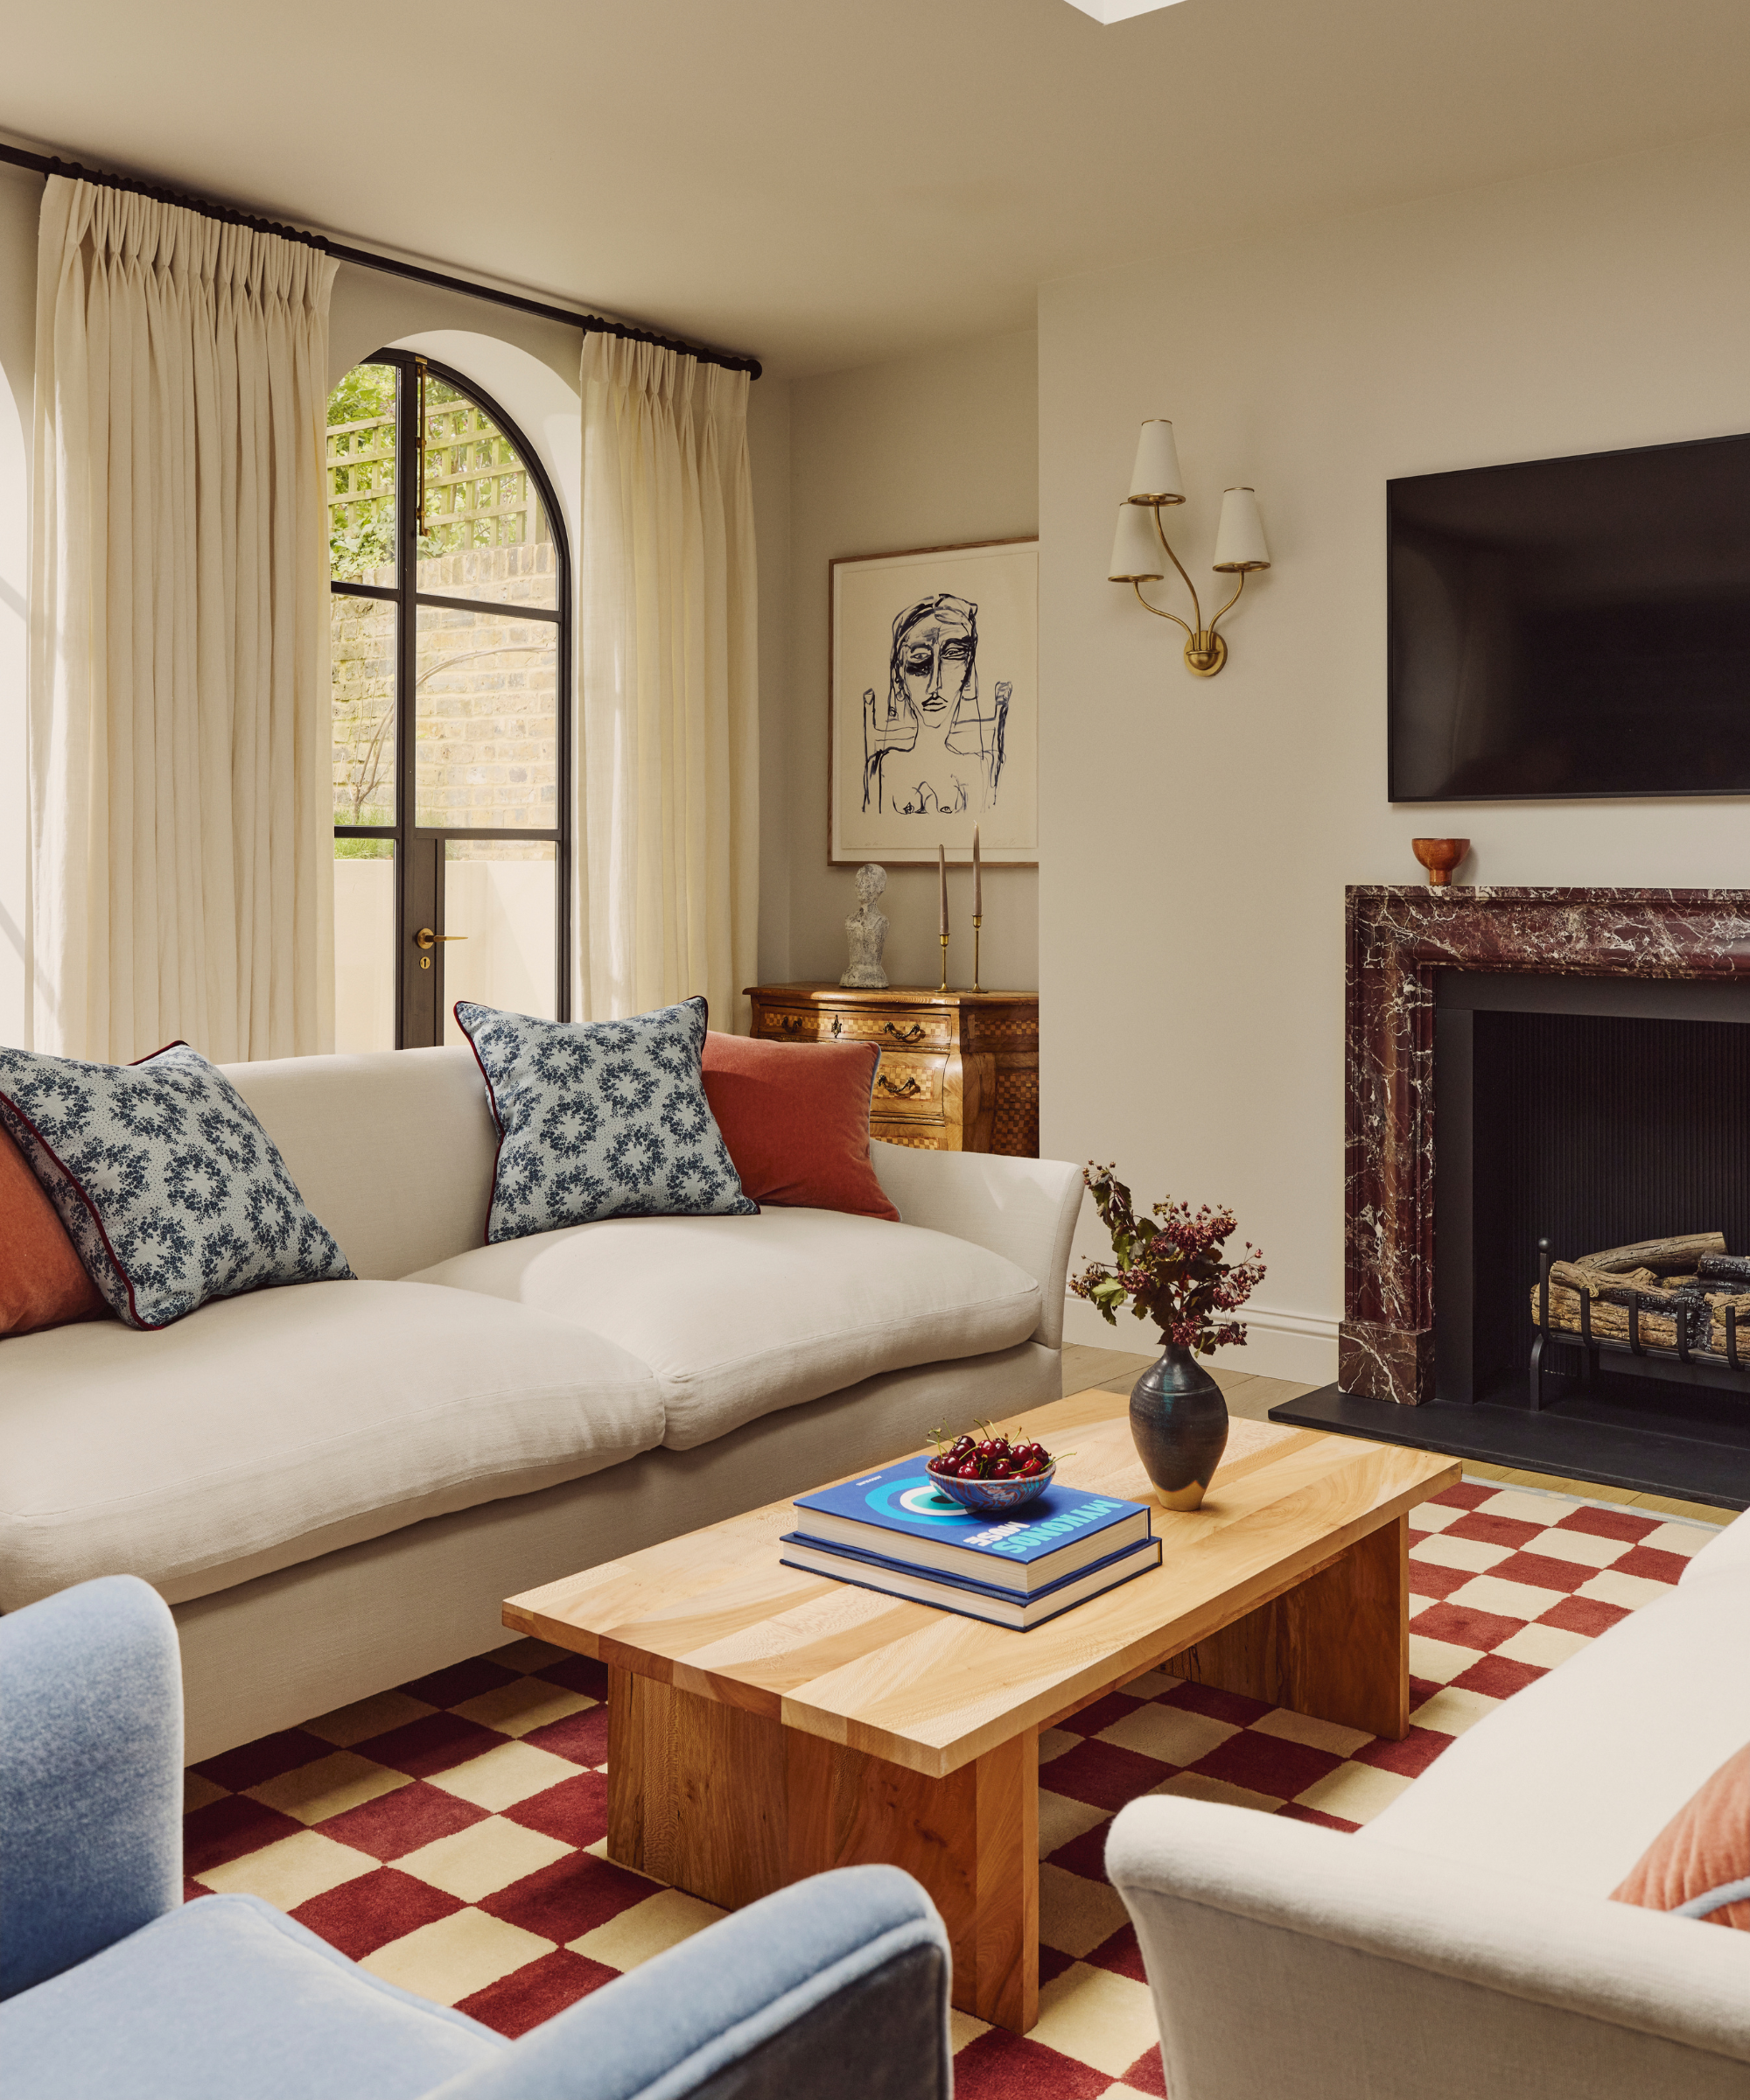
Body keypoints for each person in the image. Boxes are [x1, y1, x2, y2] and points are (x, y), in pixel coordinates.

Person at [862, 593, 1010, 816]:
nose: (935, 685)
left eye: (952, 655)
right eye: (920, 658)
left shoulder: (978, 770)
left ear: (968, 675)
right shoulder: (881, 769)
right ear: (898, 678)